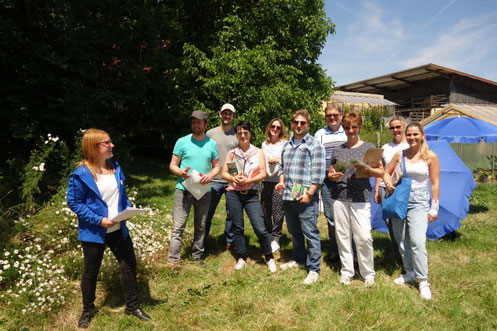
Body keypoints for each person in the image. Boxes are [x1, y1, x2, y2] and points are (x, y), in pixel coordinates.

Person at [67, 129, 151, 329]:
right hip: (95, 231)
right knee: (91, 271)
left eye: (111, 142)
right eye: (107, 143)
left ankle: (132, 306)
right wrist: (98, 220)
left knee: (129, 265)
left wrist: (128, 209)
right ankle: (88, 310)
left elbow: (121, 195)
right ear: (94, 147)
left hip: (118, 229)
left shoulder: (115, 167)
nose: (112, 145)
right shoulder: (81, 174)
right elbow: (74, 203)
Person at [383, 123, 440, 300]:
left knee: (417, 241)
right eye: (409, 134)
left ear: (422, 135)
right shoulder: (400, 154)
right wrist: (388, 182)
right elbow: (386, 172)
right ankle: (409, 272)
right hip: (400, 198)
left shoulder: (430, 156)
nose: (412, 137)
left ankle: (423, 280)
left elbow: (434, 183)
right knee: (401, 239)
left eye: (415, 134)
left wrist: (434, 206)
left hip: (419, 200)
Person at [328, 112, 384, 287]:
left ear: (359, 127)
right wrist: (332, 176)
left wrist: (369, 170)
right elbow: (331, 171)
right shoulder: (338, 149)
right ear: (343, 128)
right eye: (346, 127)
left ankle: (368, 273)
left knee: (364, 236)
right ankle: (347, 271)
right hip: (339, 197)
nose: (350, 130)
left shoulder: (369, 147)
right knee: (343, 236)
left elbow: (381, 172)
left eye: (354, 127)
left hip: (361, 197)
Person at [221, 121, 277, 272]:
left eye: (245, 132)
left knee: (259, 227)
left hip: (251, 194)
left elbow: (263, 174)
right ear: (236, 135)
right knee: (238, 227)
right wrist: (234, 179)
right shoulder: (231, 154)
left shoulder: (258, 152)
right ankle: (241, 257)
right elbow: (224, 173)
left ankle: (269, 257)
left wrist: (249, 181)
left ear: (250, 134)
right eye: (240, 133)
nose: (243, 135)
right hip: (234, 194)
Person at [280, 109, 326, 285]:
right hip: (289, 195)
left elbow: (319, 174)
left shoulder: (314, 145)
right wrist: (281, 182)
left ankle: (314, 269)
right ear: (292, 124)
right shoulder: (287, 144)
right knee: (294, 232)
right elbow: (282, 168)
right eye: (296, 122)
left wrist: (309, 194)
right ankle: (298, 259)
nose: (299, 126)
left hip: (306, 196)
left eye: (303, 123)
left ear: (308, 125)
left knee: (310, 232)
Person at [168, 110, 220, 264]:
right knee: (178, 227)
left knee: (201, 226)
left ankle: (197, 256)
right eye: (193, 122)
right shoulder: (182, 141)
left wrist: (210, 176)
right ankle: (173, 260)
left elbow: (216, 167)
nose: (195, 125)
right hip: (183, 190)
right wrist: (181, 172)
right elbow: (172, 165)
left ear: (206, 124)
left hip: (204, 191)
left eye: (198, 122)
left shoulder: (211, 144)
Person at [314, 105, 347, 262]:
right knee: (331, 216)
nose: (332, 118)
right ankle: (335, 250)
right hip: (327, 181)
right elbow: (315, 157)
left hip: (346, 181)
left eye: (335, 115)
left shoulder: (347, 131)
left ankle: (348, 250)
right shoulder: (319, 134)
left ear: (340, 115)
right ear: (325, 117)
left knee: (347, 216)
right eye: (329, 115)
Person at [374, 117, 409, 262]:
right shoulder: (386, 147)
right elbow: (380, 169)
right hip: (385, 188)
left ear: (404, 127)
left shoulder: (410, 145)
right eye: (392, 128)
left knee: (404, 222)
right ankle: (397, 254)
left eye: (398, 127)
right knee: (390, 222)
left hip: (402, 189)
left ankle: (407, 254)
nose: (395, 130)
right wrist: (376, 189)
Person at [205, 103, 238, 249]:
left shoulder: (237, 134)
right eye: (224, 113)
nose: (227, 115)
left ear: (233, 116)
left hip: (230, 180)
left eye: (229, 113)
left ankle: (229, 240)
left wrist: (234, 178)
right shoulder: (210, 133)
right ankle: (202, 240)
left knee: (232, 213)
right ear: (220, 114)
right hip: (213, 180)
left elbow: (236, 159)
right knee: (207, 212)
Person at [261, 118, 288, 253]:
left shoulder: (285, 144)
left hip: (279, 180)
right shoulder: (264, 144)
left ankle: (277, 239)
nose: (275, 129)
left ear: (281, 129)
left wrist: (277, 160)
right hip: (265, 181)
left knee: (278, 212)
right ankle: (269, 235)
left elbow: (288, 160)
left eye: (278, 127)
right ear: (269, 128)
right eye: (273, 126)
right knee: (265, 210)